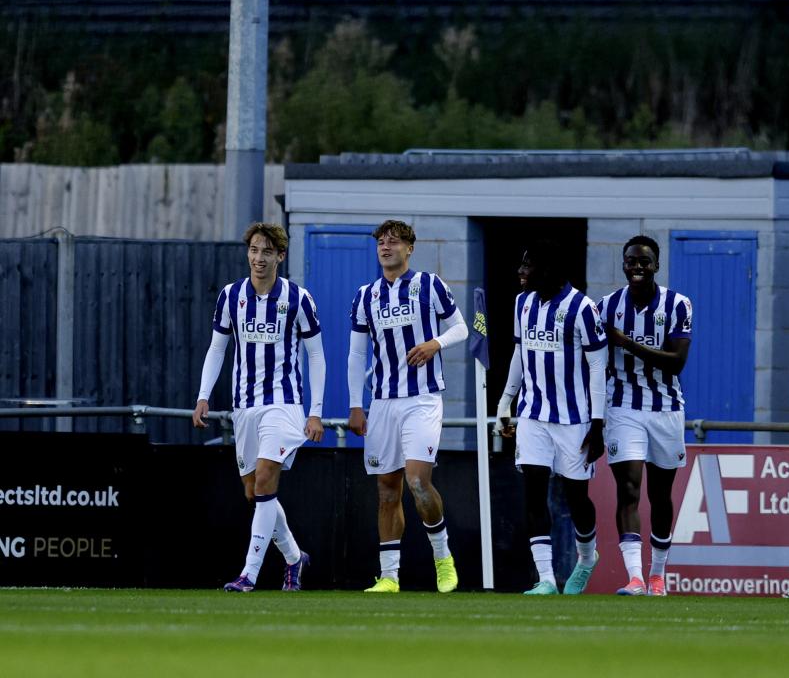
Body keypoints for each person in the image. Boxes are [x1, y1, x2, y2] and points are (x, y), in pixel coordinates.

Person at [192, 222, 326, 592]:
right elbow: (217, 348)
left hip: (283, 404)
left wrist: (315, 410)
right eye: (254, 250)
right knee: (255, 492)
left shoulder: (299, 299)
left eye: (267, 251)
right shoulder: (230, 296)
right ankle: (296, 559)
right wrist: (203, 395)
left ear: (280, 256)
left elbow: (316, 355)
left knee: (266, 478)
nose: (259, 258)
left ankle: (249, 574)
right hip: (244, 408)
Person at [347, 220, 469, 593]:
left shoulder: (430, 286)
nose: (386, 247)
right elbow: (356, 353)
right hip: (383, 401)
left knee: (417, 481)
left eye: (394, 241)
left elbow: (463, 328)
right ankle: (389, 576)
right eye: (381, 242)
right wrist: (356, 404)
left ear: (410, 248)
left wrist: (435, 344)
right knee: (387, 490)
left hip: (423, 398)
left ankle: (442, 557)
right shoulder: (366, 295)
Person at [496, 240, 608, 595]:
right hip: (533, 415)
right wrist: (505, 401)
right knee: (533, 493)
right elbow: (520, 352)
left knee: (577, 499)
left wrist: (599, 423)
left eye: (527, 265)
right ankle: (545, 578)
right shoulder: (522, 303)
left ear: (546, 269)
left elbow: (597, 367)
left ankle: (587, 559)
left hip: (574, 419)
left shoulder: (583, 308)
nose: (520, 271)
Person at [596, 235, 692, 597]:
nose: (637, 267)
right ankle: (635, 577)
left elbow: (678, 362)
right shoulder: (606, 307)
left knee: (662, 494)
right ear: (623, 265)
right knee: (629, 486)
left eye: (644, 262)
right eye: (631, 261)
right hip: (622, 405)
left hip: (666, 407)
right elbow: (595, 360)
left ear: (656, 265)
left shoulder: (678, 304)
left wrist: (627, 343)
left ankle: (658, 575)